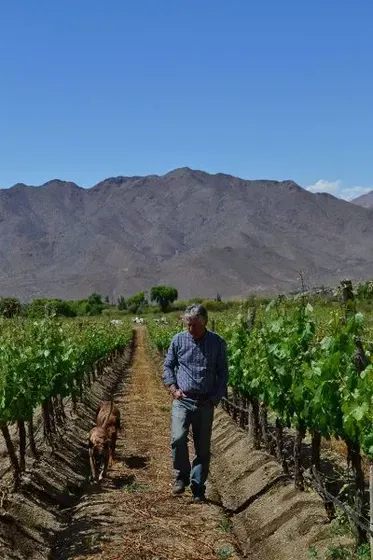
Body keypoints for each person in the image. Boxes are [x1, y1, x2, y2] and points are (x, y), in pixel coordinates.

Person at [163, 303, 228, 503]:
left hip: (204, 402)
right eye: (187, 325)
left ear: (204, 323)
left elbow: (223, 374)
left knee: (202, 448)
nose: (190, 329)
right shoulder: (178, 340)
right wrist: (173, 388)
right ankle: (182, 475)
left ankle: (198, 487)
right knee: (178, 438)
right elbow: (168, 365)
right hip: (183, 400)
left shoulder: (217, 343)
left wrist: (214, 398)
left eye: (193, 325)